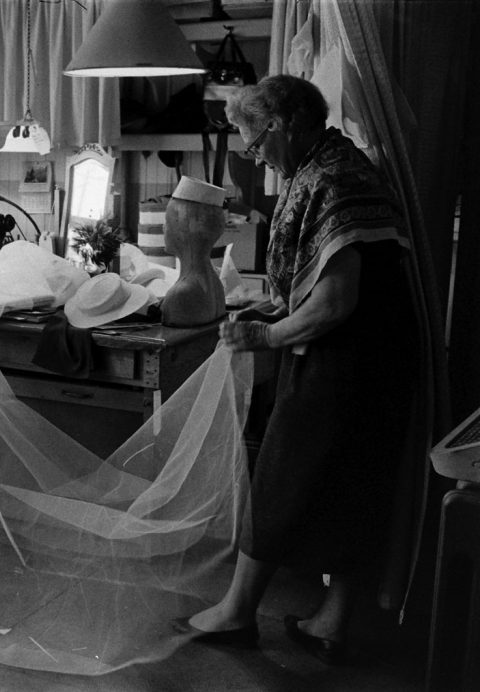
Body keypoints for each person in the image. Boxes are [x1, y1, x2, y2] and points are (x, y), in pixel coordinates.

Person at [182, 75, 418, 664]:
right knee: (352, 486)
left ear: (282, 125)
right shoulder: (327, 165)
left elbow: (337, 302)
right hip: (374, 361)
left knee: (282, 474)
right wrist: (275, 307)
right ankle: (332, 623)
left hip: (347, 360)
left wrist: (265, 334)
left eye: (252, 138)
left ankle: (237, 611)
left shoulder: (333, 179)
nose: (251, 152)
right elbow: (318, 282)